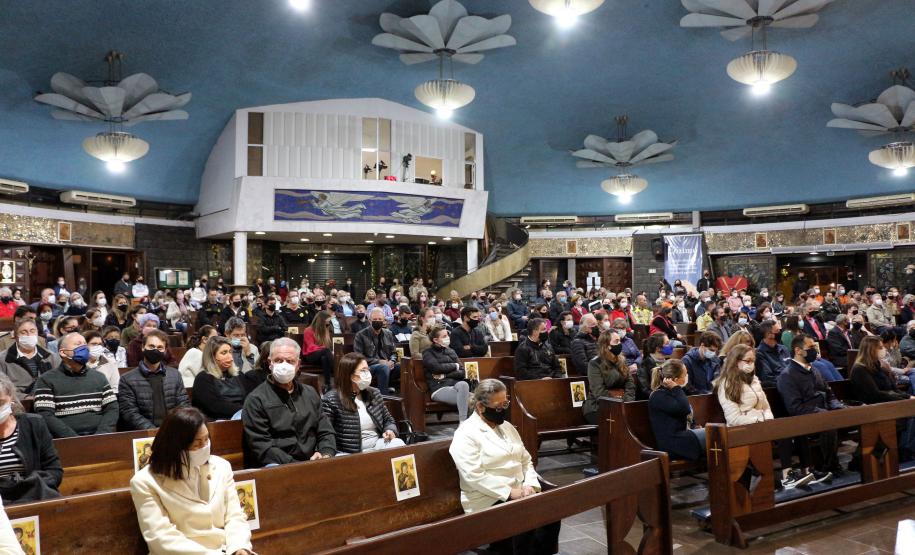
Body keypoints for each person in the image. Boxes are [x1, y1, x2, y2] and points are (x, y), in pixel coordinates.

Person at [449, 379, 561, 553]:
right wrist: (510, 493)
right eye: (498, 406)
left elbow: (526, 460)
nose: (503, 410)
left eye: (506, 404)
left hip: (521, 491)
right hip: (487, 498)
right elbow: (474, 476)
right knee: (525, 515)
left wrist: (530, 485)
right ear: (481, 407)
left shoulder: (507, 427)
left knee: (552, 508)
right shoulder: (465, 434)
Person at [130, 407, 254, 555]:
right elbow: (161, 538)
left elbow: (235, 516)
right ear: (176, 445)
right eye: (197, 443)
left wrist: (239, 547)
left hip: (226, 549)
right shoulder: (145, 482)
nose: (205, 447)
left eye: (207, 439)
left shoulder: (222, 466)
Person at [242, 337, 336, 466]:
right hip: (279, 465)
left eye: (290, 361)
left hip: (314, 460)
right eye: (278, 360)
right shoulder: (256, 400)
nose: (284, 365)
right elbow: (262, 446)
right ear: (270, 363)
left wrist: (325, 453)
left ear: (298, 364)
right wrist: (298, 466)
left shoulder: (310, 393)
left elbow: (325, 430)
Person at [776, 334, 844, 482]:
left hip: (824, 413)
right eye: (811, 347)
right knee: (829, 424)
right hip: (805, 419)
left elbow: (829, 393)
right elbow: (795, 407)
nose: (815, 350)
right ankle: (829, 467)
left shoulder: (814, 369)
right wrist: (822, 413)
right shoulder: (787, 375)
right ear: (798, 350)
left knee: (853, 415)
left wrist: (836, 406)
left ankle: (859, 459)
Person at [33, 332, 118, 438]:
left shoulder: (99, 377)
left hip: (99, 437)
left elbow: (112, 408)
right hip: (65, 440)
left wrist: (101, 434)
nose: (84, 348)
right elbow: (45, 414)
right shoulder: (46, 380)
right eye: (78, 344)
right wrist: (74, 439)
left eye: (85, 344)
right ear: (63, 352)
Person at [321, 352, 405, 453]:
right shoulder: (331, 400)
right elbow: (326, 433)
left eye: (368, 369)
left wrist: (390, 430)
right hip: (349, 452)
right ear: (350, 375)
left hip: (377, 445)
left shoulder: (374, 393)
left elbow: (388, 419)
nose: (368, 373)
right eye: (363, 370)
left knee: (398, 444)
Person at [0, 373, 62, 505]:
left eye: (0, 402)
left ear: (10, 397)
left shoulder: (34, 424)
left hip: (33, 499)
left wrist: (31, 485)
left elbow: (54, 471)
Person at [849, 336, 915, 458]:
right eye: (880, 347)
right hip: (874, 408)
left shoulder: (877, 365)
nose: (883, 349)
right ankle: (905, 452)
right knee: (912, 413)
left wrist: (908, 396)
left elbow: (893, 389)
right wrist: (904, 400)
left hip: (889, 403)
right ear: (870, 349)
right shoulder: (859, 369)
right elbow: (875, 394)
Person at [118, 330, 190, 430]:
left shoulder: (175, 375)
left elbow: (184, 404)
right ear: (143, 347)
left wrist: (173, 428)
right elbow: (130, 413)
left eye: (160, 347)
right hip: (145, 432)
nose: (155, 350)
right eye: (151, 346)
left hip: (172, 430)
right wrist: (154, 431)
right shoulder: (127, 379)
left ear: (165, 351)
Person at [648, 359, 705, 462]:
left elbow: (684, 414)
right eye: (685, 374)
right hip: (673, 443)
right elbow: (684, 409)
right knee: (714, 433)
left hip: (682, 438)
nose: (687, 376)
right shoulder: (658, 396)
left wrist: (694, 426)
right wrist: (676, 388)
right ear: (675, 379)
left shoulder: (672, 393)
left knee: (715, 433)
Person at [582, 330, 636, 423]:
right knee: (619, 421)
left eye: (619, 341)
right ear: (606, 345)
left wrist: (627, 401)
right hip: (598, 407)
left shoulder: (621, 360)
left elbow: (630, 383)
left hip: (622, 403)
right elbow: (598, 391)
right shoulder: (595, 363)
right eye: (616, 341)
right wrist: (618, 403)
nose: (619, 344)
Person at [714, 344, 773, 425]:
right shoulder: (727, 384)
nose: (751, 364)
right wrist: (757, 420)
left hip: (761, 425)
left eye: (753, 361)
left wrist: (768, 419)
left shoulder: (754, 380)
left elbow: (766, 408)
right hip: (742, 429)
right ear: (735, 362)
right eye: (748, 361)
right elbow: (733, 418)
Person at [0, 319, 60, 398]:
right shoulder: (3, 359)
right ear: (15, 335)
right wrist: (25, 398)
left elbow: (59, 383)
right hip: (18, 402)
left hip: (48, 399)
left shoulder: (51, 356)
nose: (29, 335)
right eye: (23, 332)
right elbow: (3, 389)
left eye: (32, 331)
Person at [422, 326, 471, 422]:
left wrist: (445, 375)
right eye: (444, 336)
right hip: (439, 388)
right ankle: (464, 423)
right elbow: (436, 368)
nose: (447, 338)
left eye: (447, 335)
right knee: (473, 400)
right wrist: (455, 366)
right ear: (435, 340)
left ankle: (465, 423)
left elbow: (462, 372)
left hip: (455, 386)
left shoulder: (451, 351)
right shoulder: (428, 353)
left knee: (464, 385)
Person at [192, 337, 247, 421]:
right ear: (212, 356)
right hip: (217, 422)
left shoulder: (238, 375)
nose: (230, 357)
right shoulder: (203, 378)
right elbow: (215, 406)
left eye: (230, 352)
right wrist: (245, 410)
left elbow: (249, 398)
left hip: (242, 417)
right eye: (224, 353)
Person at [354, 307, 400, 393]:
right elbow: (359, 357)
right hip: (369, 367)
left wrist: (392, 361)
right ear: (370, 320)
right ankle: (384, 396)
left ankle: (394, 390)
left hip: (386, 364)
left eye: (380, 319)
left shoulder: (388, 333)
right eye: (375, 319)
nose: (377, 321)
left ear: (384, 321)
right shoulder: (360, 335)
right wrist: (378, 361)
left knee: (401, 366)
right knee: (383, 367)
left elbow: (394, 353)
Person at [301, 311, 335, 389]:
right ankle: (336, 372)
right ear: (322, 321)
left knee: (324, 358)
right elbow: (310, 346)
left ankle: (327, 384)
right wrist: (324, 349)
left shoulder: (325, 329)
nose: (328, 323)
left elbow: (327, 345)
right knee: (326, 351)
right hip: (310, 355)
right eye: (327, 321)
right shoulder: (308, 330)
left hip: (322, 355)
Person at [638, 332, 671, 400]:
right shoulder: (644, 365)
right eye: (667, 343)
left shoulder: (669, 362)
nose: (670, 346)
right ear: (658, 348)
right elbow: (645, 391)